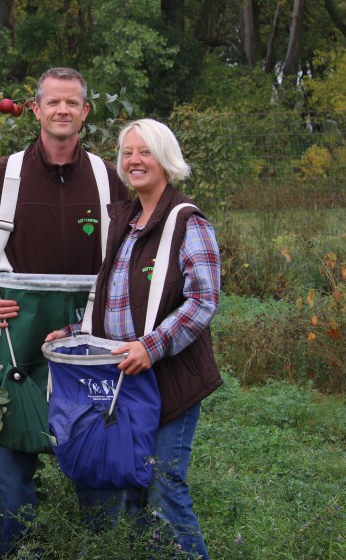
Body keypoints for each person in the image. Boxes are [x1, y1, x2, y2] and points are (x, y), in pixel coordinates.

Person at [0, 67, 129, 557]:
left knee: (95, 463)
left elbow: (134, 251)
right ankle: (18, 552)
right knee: (12, 475)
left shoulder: (107, 178)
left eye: (73, 103)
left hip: (88, 340)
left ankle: (99, 551)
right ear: (36, 110)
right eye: (53, 103)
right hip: (16, 341)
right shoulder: (4, 175)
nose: (63, 111)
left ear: (86, 112)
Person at [46, 118, 222, 559]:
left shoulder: (187, 221)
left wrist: (152, 346)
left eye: (145, 151)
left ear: (165, 158)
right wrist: (72, 334)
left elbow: (203, 298)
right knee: (132, 486)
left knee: (164, 483)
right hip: (125, 379)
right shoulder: (123, 220)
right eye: (127, 152)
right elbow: (110, 299)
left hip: (169, 378)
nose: (134, 160)